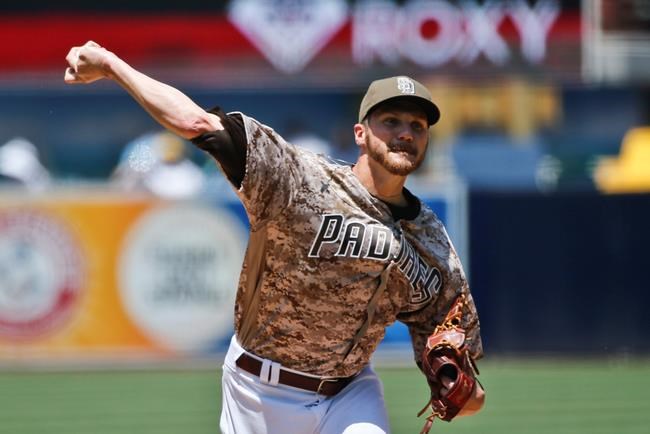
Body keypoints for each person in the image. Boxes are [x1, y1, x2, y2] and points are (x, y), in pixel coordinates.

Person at [64, 41, 485, 434]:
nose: (406, 133)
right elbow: (196, 123)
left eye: (417, 125)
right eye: (390, 121)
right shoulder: (300, 181)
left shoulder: (431, 241)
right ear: (360, 134)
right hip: (257, 391)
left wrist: (455, 383)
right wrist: (110, 65)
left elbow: (470, 396)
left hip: (350, 393)